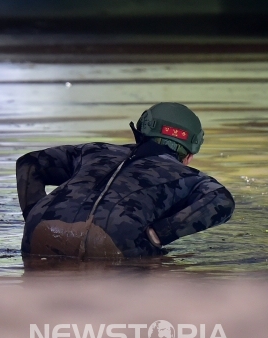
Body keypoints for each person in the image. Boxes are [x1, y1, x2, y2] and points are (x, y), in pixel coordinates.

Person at [16, 102, 234, 259]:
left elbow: (29, 162)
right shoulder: (189, 176)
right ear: (189, 155)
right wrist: (157, 235)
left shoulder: (93, 150)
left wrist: (35, 217)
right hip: (115, 240)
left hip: (41, 229)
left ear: (139, 133)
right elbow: (221, 200)